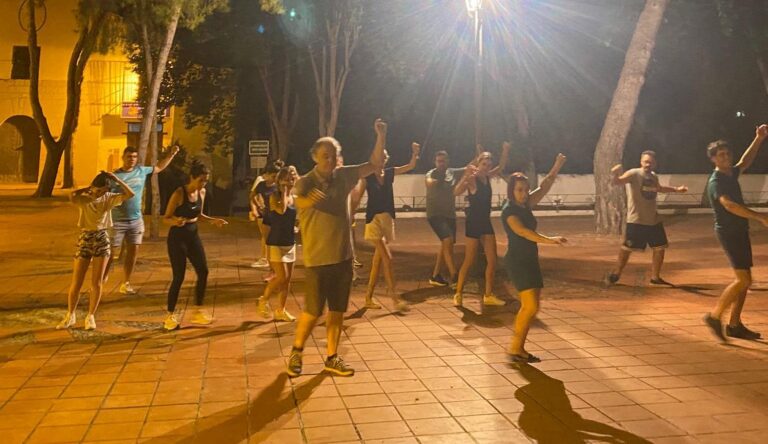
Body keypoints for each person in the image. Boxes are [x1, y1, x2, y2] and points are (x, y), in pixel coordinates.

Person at [286, 119, 386, 378]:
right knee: (313, 311)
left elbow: (374, 164)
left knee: (337, 311)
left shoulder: (344, 175)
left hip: (343, 256)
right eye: (325, 156)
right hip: (318, 259)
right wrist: (308, 200)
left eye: (334, 155)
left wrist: (380, 136)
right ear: (315, 158)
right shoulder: (306, 182)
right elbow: (297, 201)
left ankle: (332, 356)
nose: (330, 160)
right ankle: (297, 350)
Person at [703, 126, 768, 342]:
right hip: (729, 233)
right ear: (713, 159)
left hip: (739, 231)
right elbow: (728, 205)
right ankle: (714, 316)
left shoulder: (731, 173)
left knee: (745, 280)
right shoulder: (717, 182)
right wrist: (759, 216)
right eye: (721, 155)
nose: (726, 157)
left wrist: (758, 139)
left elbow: (745, 161)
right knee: (743, 279)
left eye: (728, 153)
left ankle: (734, 324)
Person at [502, 154, 567, 362]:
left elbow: (546, 185)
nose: (523, 193)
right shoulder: (510, 211)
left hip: (530, 259)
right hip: (518, 261)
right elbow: (523, 232)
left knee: (533, 307)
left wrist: (556, 165)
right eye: (519, 190)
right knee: (529, 307)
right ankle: (514, 348)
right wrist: (551, 240)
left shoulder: (526, 204)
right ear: (511, 191)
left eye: (525, 189)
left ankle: (518, 348)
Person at [57, 172, 135, 330]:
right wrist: (88, 190)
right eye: (98, 190)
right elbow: (71, 195)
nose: (100, 194)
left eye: (104, 191)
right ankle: (70, 315)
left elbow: (130, 194)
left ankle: (90, 316)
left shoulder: (109, 198)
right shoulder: (84, 198)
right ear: (93, 187)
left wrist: (117, 180)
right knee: (77, 281)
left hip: (101, 237)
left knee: (97, 282)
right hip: (85, 237)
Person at [162, 161, 228, 331]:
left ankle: (198, 311)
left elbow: (199, 215)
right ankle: (170, 315)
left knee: (203, 271)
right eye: (200, 180)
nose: (202, 184)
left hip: (193, 234)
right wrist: (175, 221)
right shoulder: (179, 193)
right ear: (192, 177)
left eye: (205, 181)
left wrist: (214, 221)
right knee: (179, 276)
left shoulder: (202, 192)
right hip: (177, 237)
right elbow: (165, 217)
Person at [104, 145, 179, 294]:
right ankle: (102, 277)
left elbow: (158, 167)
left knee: (133, 251)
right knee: (110, 252)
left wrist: (171, 155)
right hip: (117, 220)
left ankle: (126, 282)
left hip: (136, 220)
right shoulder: (114, 176)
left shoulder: (141, 171)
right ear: (123, 158)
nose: (131, 160)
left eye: (134, 157)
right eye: (129, 157)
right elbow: (104, 194)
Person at [606, 151, 688, 286]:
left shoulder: (653, 176)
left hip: (653, 219)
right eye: (645, 161)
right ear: (641, 161)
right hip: (636, 220)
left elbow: (659, 188)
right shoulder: (634, 173)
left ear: (654, 163)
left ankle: (655, 277)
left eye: (650, 162)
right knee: (626, 248)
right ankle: (616, 273)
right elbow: (617, 182)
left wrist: (676, 189)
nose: (648, 164)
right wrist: (615, 173)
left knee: (660, 247)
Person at [362, 142, 420, 310]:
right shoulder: (368, 176)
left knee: (377, 262)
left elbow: (410, 166)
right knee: (387, 259)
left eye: (382, 157)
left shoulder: (389, 173)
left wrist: (414, 153)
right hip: (373, 220)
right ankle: (394, 299)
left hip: (387, 219)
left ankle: (368, 297)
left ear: (385, 159)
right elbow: (357, 192)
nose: (380, 159)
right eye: (377, 157)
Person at [452, 142, 510, 308]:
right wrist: (465, 177)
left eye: (488, 164)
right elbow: (456, 192)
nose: (486, 166)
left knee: (493, 260)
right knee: (469, 260)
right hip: (473, 224)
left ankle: (488, 295)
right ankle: (458, 293)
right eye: (484, 164)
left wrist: (505, 150)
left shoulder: (487, 176)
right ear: (478, 164)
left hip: (485, 222)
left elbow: (501, 167)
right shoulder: (473, 179)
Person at [257, 166, 298, 322]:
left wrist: (297, 226)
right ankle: (263, 299)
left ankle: (281, 309)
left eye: (292, 178)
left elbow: (295, 216)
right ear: (279, 180)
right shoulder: (274, 196)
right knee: (281, 276)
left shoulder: (294, 197)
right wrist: (286, 192)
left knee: (287, 280)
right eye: (286, 178)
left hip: (289, 242)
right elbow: (281, 210)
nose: (290, 181)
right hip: (275, 242)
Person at [425, 150, 465, 287]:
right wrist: (437, 180)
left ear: (448, 161)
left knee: (446, 244)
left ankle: (435, 276)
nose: (441, 163)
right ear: (435, 162)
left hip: (449, 214)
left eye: (443, 160)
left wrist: (479, 156)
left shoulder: (452, 172)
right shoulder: (431, 174)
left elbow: (469, 167)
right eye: (439, 161)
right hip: (435, 214)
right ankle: (454, 275)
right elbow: (429, 182)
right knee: (447, 240)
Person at [249, 161, 282, 270]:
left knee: (276, 241)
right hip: (266, 215)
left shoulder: (278, 187)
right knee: (267, 239)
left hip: (277, 216)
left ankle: (276, 264)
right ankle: (269, 263)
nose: (274, 179)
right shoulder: (261, 185)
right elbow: (252, 196)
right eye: (273, 176)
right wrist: (256, 207)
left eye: (277, 177)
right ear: (267, 174)